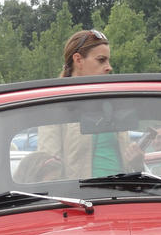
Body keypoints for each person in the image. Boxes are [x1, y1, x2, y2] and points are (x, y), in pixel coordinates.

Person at [39, 30, 144, 178]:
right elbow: (48, 170)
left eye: (108, 61)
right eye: (101, 60)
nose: (109, 67)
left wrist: (137, 163)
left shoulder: (114, 104)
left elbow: (129, 166)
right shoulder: (55, 105)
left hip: (123, 195)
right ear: (78, 60)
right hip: (81, 198)